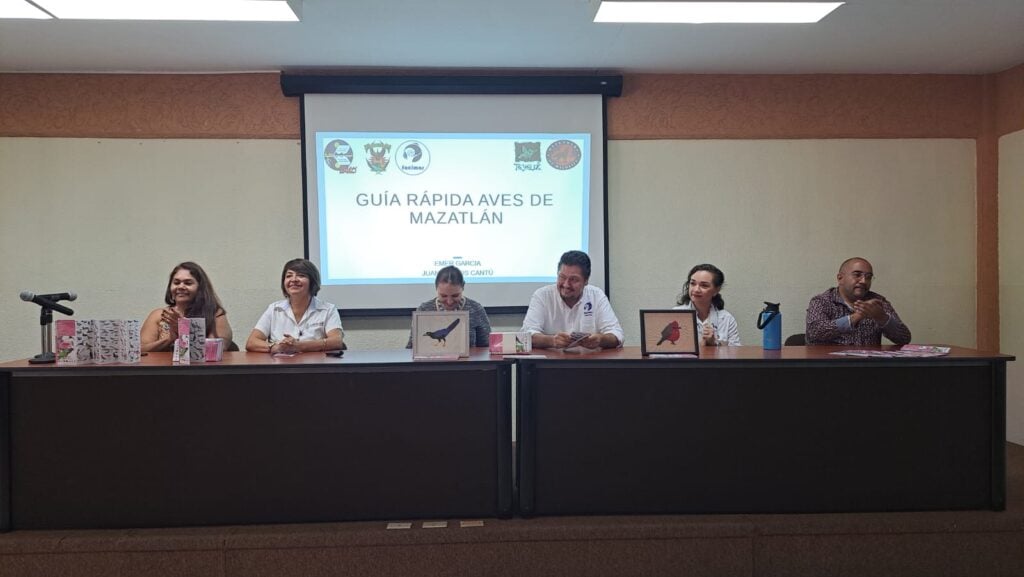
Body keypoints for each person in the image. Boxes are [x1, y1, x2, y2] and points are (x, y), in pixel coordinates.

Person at [521, 250, 624, 349]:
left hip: (589, 362)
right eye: (562, 277)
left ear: (586, 280)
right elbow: (527, 334)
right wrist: (551, 341)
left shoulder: (596, 295)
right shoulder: (542, 295)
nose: (566, 284)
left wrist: (600, 340)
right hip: (550, 364)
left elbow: (617, 334)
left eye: (573, 279)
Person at [245, 258, 344, 354]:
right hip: (280, 367)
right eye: (289, 276)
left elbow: (336, 341)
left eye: (301, 275)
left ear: (312, 281)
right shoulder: (274, 309)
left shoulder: (328, 309)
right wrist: (275, 346)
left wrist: (299, 346)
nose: (294, 279)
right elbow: (252, 342)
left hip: (315, 367)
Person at [806, 257, 911, 345]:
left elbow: (904, 339)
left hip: (868, 366)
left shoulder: (878, 302)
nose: (863, 281)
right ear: (840, 278)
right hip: (831, 366)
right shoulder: (821, 301)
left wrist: (882, 318)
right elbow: (814, 333)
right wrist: (856, 317)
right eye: (857, 275)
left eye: (868, 277)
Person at [141, 262, 233, 353]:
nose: (181, 287)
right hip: (163, 367)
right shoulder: (159, 315)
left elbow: (218, 348)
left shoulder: (215, 313)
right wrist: (168, 340)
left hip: (199, 368)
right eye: (176, 283)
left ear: (200, 288)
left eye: (188, 283)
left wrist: (184, 329)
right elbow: (139, 350)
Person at [406, 265, 491, 348]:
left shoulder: (476, 309)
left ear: (463, 287)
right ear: (436, 288)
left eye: (455, 295)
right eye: (443, 296)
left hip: (467, 362)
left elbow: (487, 349)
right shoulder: (424, 310)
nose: (449, 302)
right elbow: (411, 348)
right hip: (431, 362)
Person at [673, 264, 741, 346]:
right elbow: (669, 352)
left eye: (704, 285)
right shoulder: (676, 315)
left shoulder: (727, 319)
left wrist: (714, 344)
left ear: (716, 290)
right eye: (693, 283)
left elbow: (736, 354)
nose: (696, 289)